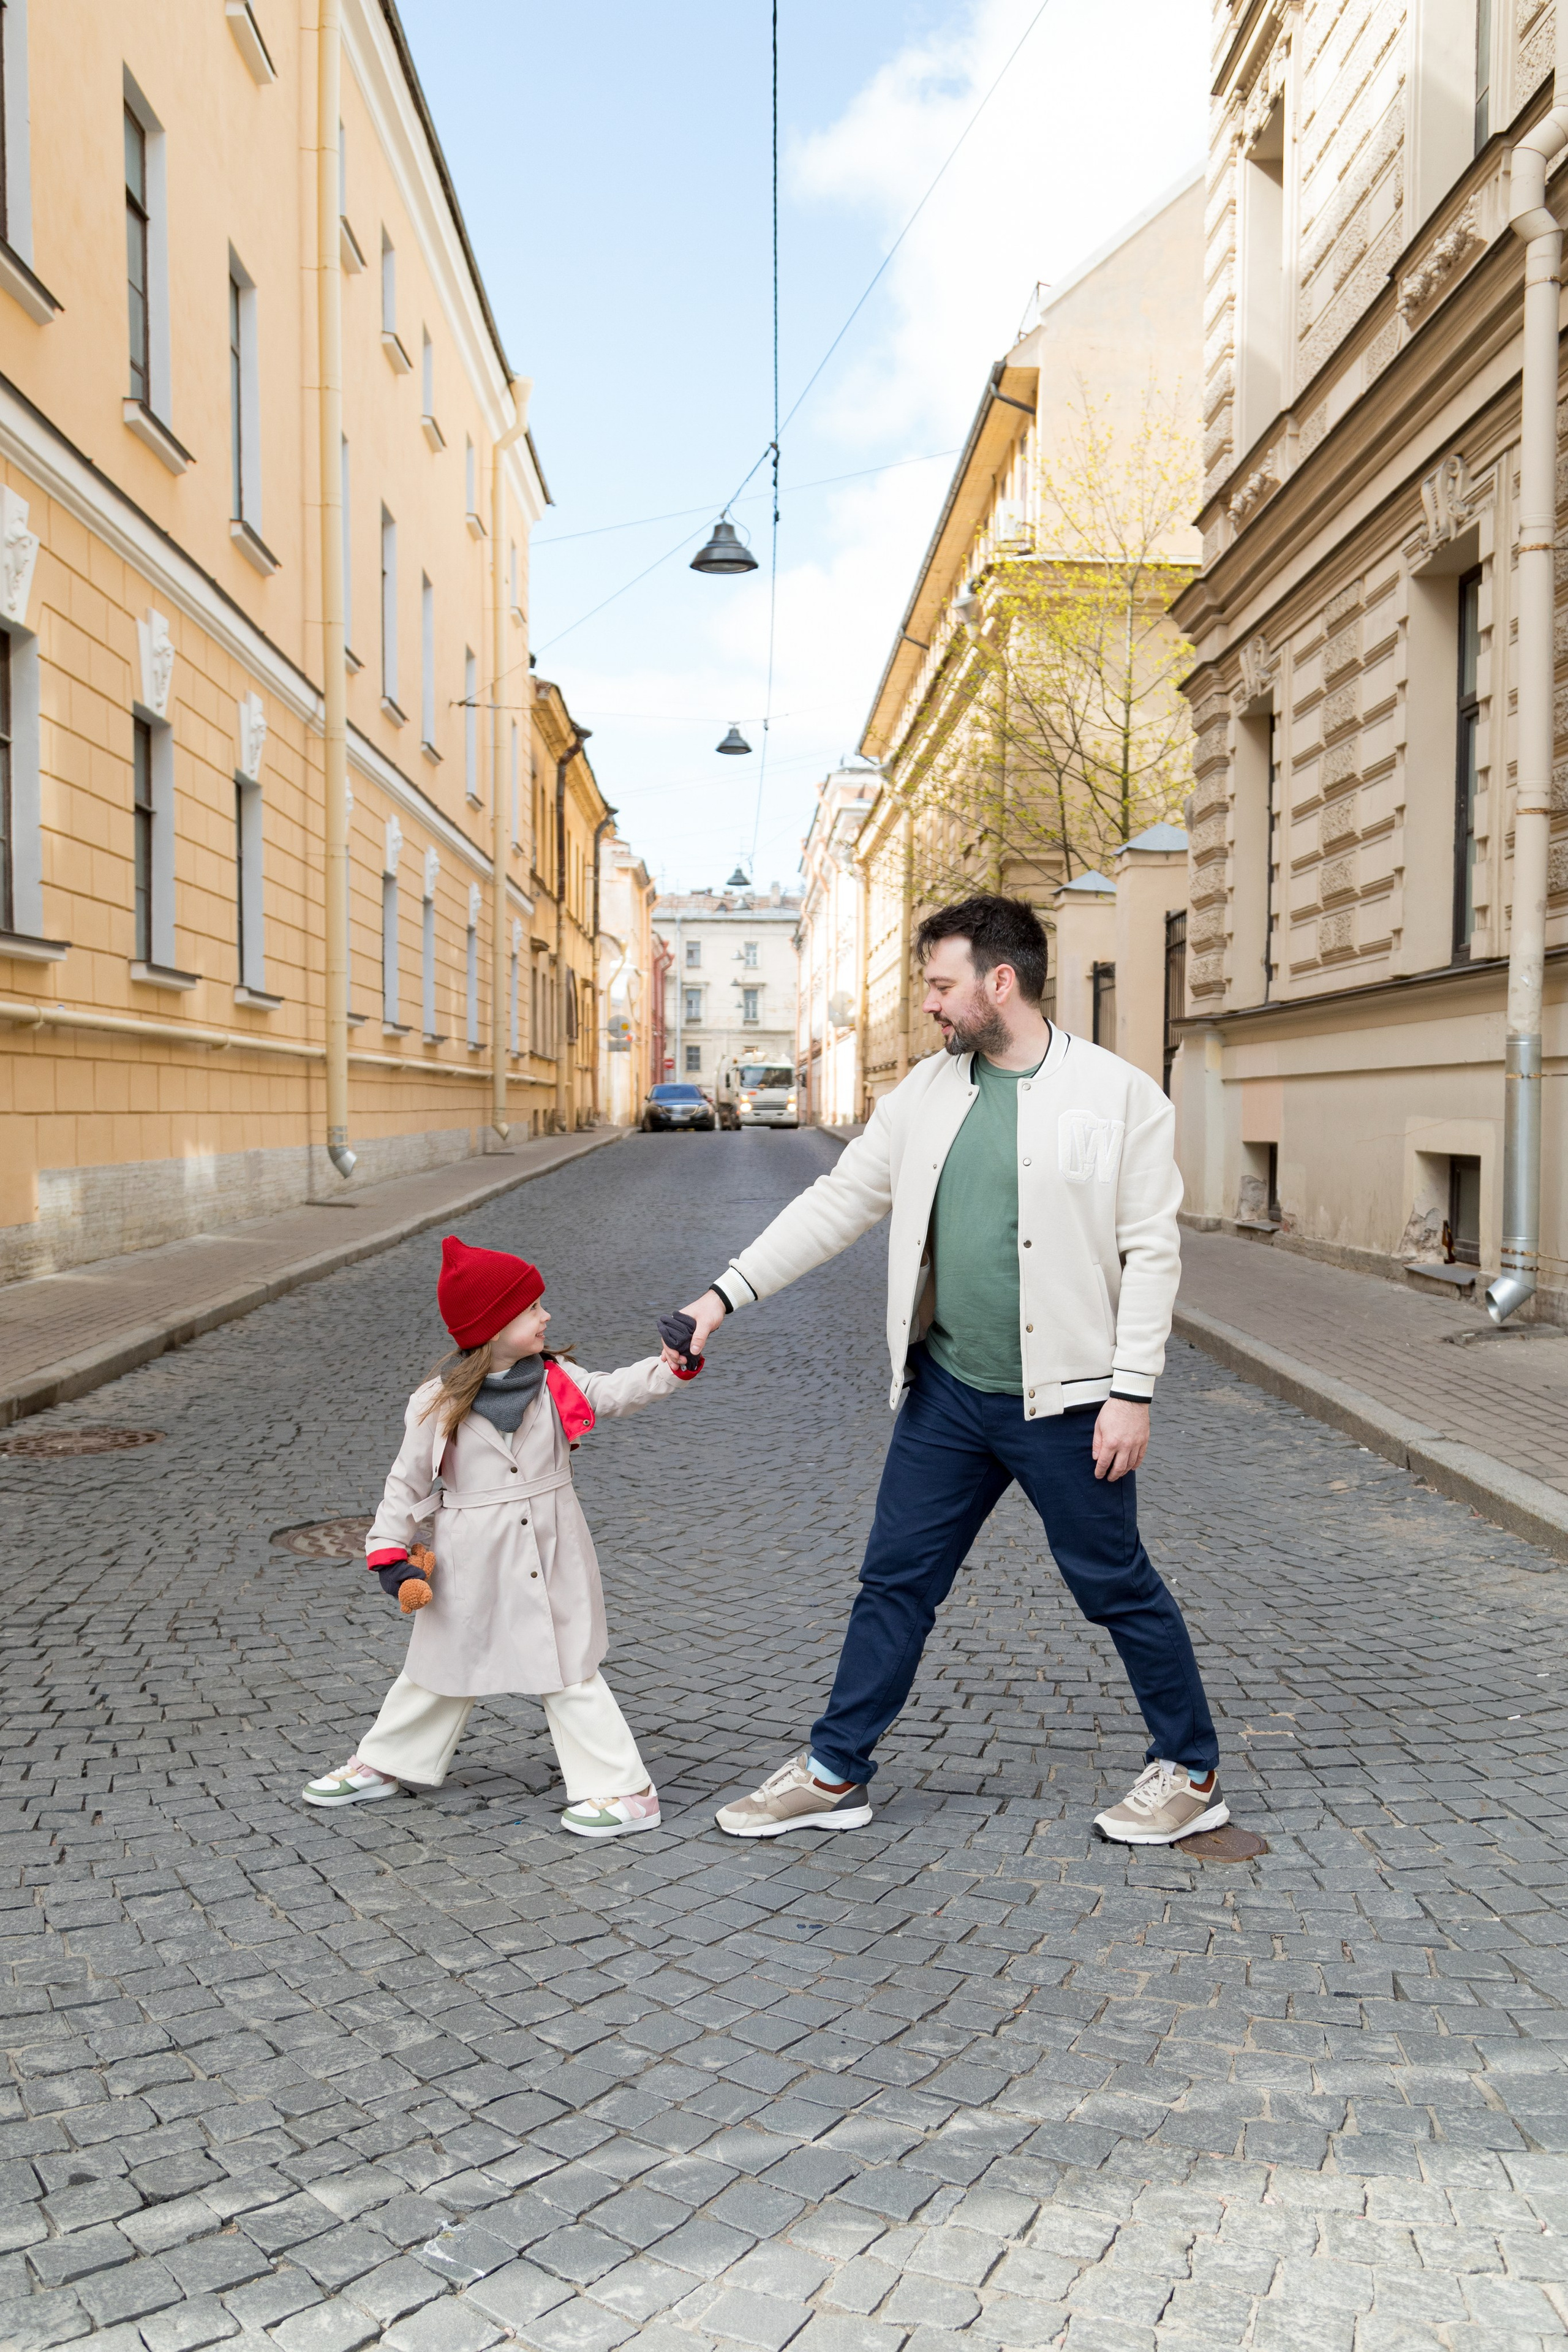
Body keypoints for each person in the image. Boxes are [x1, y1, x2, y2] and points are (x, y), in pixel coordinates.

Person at [665, 894, 1224, 1848]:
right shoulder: (926, 1092)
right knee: (895, 1581)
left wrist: (1133, 1392)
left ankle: (1191, 1768)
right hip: (950, 1394)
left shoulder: (1122, 1096)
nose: (928, 1005)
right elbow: (838, 1202)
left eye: (940, 984)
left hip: (1072, 1402)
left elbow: (1151, 1253)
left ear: (998, 982)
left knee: (1115, 1584)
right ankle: (837, 1771)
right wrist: (722, 1296)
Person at [303, 1234, 701, 1837]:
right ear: (491, 1326)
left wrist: (672, 1365)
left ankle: (627, 1791)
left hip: (550, 1545)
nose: (546, 1317)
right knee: (440, 1664)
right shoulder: (434, 1404)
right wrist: (388, 1553)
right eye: (530, 1309)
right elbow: (406, 1483)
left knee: (566, 1666)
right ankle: (386, 1763)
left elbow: (617, 1390)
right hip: (470, 1552)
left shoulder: (557, 1382)